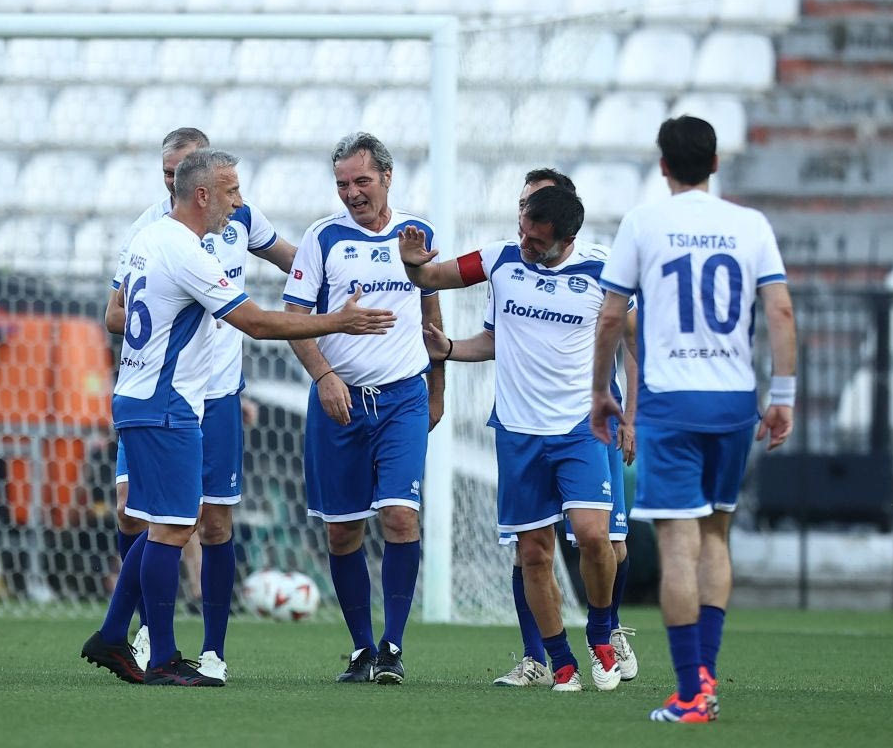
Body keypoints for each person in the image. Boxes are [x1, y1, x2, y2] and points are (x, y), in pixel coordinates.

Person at [81, 149, 395, 686]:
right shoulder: (186, 252)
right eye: (231, 191)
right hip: (168, 403)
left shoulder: (150, 237)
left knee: (167, 522)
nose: (239, 202)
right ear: (202, 194)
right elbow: (258, 324)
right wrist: (337, 321)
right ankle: (162, 658)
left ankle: (114, 633)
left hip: (142, 396)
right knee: (174, 527)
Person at [588, 115, 797, 723]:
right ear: (715, 163)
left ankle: (690, 692)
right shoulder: (750, 224)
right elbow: (780, 312)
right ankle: (705, 676)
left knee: (678, 544)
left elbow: (611, 317)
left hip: (670, 400)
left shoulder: (642, 223)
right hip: (732, 401)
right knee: (715, 536)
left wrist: (600, 390)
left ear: (663, 165)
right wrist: (782, 395)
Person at [398, 171, 639, 692]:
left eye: (535, 239)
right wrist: (417, 273)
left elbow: (635, 344)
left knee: (595, 538)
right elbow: (439, 283)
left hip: (579, 427)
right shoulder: (500, 259)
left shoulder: (604, 272)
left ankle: (601, 631)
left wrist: (633, 415)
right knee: (533, 554)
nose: (524, 243)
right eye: (522, 230)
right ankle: (560, 663)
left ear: (567, 238)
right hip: (517, 431)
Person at [105, 128, 298, 681]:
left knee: (211, 522)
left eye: (183, 171)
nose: (174, 182)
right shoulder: (155, 232)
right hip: (167, 394)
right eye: (167, 173)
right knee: (143, 515)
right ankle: (147, 636)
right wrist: (183, 300)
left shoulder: (239, 218)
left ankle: (211, 650)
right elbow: (115, 314)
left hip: (217, 394)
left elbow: (293, 262)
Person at [282, 132, 445, 685]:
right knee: (343, 531)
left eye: (362, 181)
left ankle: (393, 648)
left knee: (400, 515)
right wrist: (325, 376)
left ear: (387, 178)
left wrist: (438, 388)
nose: (352, 192)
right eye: (343, 183)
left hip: (402, 397)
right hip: (340, 401)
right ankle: (361, 648)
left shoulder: (416, 234)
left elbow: (431, 315)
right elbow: (294, 318)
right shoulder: (323, 238)